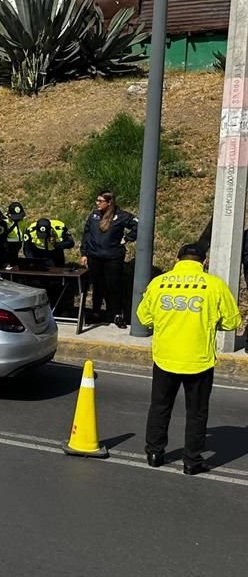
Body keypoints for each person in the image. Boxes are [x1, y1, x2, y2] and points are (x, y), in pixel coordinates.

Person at [136, 243, 241, 476]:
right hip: (198, 360)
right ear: (203, 262)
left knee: (160, 406)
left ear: (177, 259)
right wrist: (212, 324)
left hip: (165, 357)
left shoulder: (159, 283)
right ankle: (192, 461)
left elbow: (144, 317)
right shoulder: (214, 285)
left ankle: (154, 453)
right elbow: (232, 322)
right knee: (197, 412)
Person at [79, 191, 138, 329]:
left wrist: (128, 238)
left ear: (109, 202)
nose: (97, 203)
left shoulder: (121, 216)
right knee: (97, 286)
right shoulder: (94, 215)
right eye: (97, 200)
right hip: (94, 256)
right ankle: (96, 313)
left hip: (113, 257)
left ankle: (117, 314)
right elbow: (87, 234)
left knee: (114, 286)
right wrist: (84, 253)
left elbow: (139, 225)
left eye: (100, 201)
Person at [4, 201, 26, 266]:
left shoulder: (22, 221)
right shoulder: (5, 222)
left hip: (17, 244)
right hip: (7, 246)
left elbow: (24, 230)